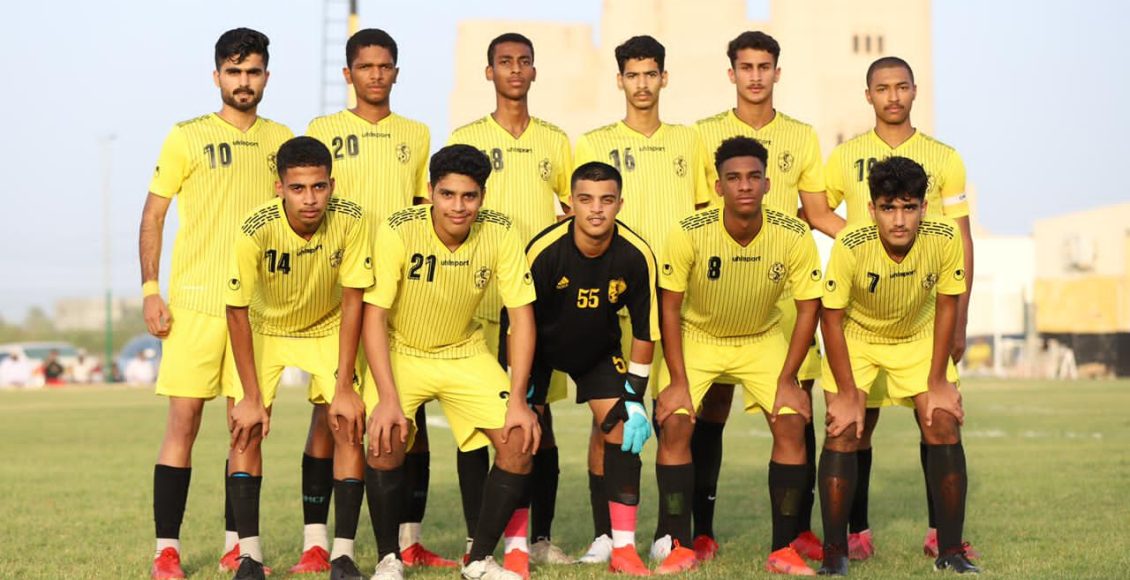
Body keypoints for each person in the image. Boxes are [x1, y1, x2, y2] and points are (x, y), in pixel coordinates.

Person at [138, 28, 293, 579]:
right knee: (183, 424)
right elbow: (153, 215)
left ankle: (239, 547)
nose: (243, 81)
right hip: (196, 305)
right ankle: (167, 550)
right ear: (217, 77)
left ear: (266, 77)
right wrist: (151, 290)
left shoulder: (283, 141)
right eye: (234, 71)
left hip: (257, 310)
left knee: (245, 427)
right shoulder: (187, 136)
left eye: (252, 72)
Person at [359, 144, 539, 580]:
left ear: (482, 196)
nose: (458, 207)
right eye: (448, 195)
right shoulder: (398, 229)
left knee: (519, 442)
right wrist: (387, 398)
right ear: (430, 192)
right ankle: (388, 558)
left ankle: (479, 560)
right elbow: (374, 316)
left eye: (469, 196)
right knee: (385, 438)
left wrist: (519, 399)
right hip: (403, 351)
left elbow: (521, 318)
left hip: (464, 351)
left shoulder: (501, 232)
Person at [820, 56, 976, 560]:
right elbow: (830, 315)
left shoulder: (943, 183)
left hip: (918, 326)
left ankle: (948, 548)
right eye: (889, 208)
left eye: (910, 207)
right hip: (861, 330)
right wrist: (847, 392)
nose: (900, 218)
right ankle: (841, 548)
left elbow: (950, 290)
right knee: (848, 426)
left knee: (941, 417)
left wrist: (940, 373)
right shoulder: (851, 227)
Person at [690, 31, 833, 562]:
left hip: (783, 289)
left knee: (797, 404)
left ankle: (797, 531)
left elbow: (817, 213)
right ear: (732, 73)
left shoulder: (801, 135)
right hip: (721, 288)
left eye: (764, 66)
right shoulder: (703, 134)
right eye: (746, 67)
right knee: (712, 404)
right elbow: (699, 211)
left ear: (777, 72)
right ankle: (701, 530)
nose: (755, 76)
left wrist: (870, 240)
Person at [302, 28, 439, 573]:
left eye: (384, 66)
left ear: (396, 73)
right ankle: (319, 542)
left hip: (399, 293)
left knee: (409, 416)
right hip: (340, 291)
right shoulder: (323, 130)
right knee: (329, 416)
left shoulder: (417, 134)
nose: (375, 75)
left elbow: (424, 209)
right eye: (365, 66)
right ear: (348, 74)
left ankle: (409, 539)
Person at [653, 137, 822, 575]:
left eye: (753, 177)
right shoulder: (689, 232)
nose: (744, 186)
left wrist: (788, 379)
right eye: (733, 178)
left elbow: (809, 308)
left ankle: (783, 548)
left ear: (767, 184)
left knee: (791, 421)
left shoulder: (793, 234)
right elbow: (669, 307)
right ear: (718, 186)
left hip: (761, 337)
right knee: (675, 422)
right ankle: (679, 544)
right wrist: (677, 381)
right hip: (699, 336)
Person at [573, 34, 712, 565]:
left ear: (664, 78)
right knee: (607, 420)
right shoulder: (593, 142)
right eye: (632, 75)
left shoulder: (689, 141)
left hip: (675, 301)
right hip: (613, 304)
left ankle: (670, 534)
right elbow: (582, 222)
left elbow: (702, 215)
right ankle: (606, 534)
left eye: (651, 73)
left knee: (675, 416)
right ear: (619, 81)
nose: (642, 84)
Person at [448, 31, 575, 573]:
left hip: (538, 303)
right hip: (480, 299)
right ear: (489, 72)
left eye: (524, 61)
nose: (515, 70)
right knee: (475, 427)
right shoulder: (466, 138)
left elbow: (572, 210)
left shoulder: (555, 140)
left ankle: (538, 538)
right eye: (505, 62)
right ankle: (479, 540)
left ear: (534, 71)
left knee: (538, 417)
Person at [223, 136, 373, 580]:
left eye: (319, 187)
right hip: (265, 328)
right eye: (298, 188)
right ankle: (249, 558)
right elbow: (236, 311)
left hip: (326, 326)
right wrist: (252, 397)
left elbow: (354, 301)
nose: (310, 199)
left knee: (349, 425)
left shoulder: (351, 220)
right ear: (280, 188)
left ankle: (342, 556)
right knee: (246, 429)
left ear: (332, 185)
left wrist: (344, 387)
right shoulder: (254, 228)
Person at [508, 161, 658, 576]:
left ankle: (623, 549)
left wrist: (634, 397)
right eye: (586, 199)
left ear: (620, 204)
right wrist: (519, 393)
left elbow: (645, 331)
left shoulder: (636, 254)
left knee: (622, 429)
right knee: (523, 434)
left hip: (596, 350)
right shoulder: (544, 251)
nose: (596, 209)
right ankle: (518, 549)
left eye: (606, 200)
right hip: (539, 349)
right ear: (570, 204)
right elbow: (518, 323)